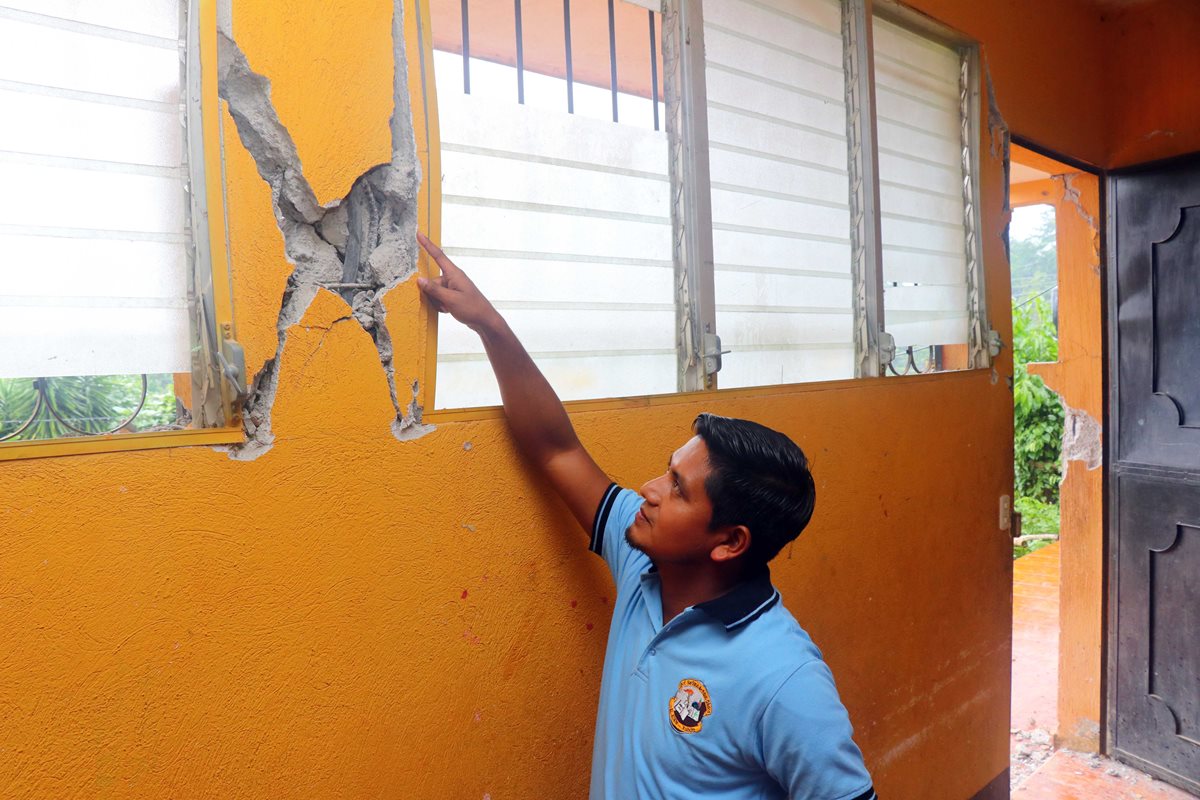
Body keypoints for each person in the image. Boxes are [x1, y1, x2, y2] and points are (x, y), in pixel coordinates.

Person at [417, 233, 876, 800]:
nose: (649, 491)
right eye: (667, 471)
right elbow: (557, 449)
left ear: (730, 542)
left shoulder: (783, 678)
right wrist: (489, 323)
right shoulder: (642, 562)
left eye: (678, 490)